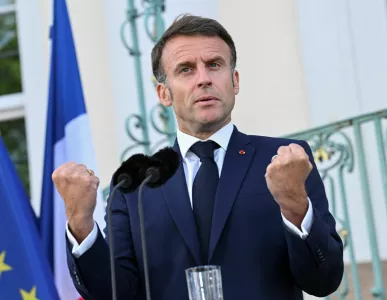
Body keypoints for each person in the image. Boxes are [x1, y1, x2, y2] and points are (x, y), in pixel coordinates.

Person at [52, 14, 344, 300]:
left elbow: (324, 281)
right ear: (164, 93)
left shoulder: (285, 162)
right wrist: (80, 222)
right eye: (186, 69)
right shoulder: (133, 184)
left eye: (214, 65)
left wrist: (295, 206)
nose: (204, 79)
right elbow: (114, 293)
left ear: (235, 81)